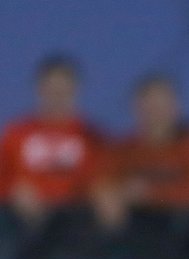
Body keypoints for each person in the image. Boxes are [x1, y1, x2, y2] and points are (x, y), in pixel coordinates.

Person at [0, 55, 108, 225]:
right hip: (23, 222)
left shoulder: (93, 135)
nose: (57, 96)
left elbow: (104, 179)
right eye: (51, 89)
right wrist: (13, 189)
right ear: (39, 89)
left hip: (76, 220)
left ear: (76, 90)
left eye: (64, 90)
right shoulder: (17, 133)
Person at [105, 74, 189, 212]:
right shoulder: (123, 150)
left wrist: (151, 194)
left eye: (162, 103)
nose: (156, 111)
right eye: (149, 103)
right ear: (135, 106)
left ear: (176, 106)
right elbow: (105, 182)